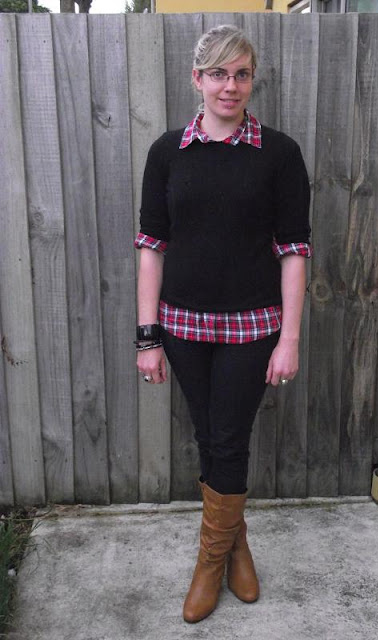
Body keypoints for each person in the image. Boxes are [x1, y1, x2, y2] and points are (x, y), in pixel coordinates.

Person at [134, 24, 311, 623]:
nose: (229, 86)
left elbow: (294, 250)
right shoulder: (167, 153)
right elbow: (151, 247)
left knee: (230, 437)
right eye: (218, 74)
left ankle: (209, 562)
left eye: (240, 74)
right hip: (181, 326)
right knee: (209, 436)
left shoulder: (279, 154)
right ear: (197, 79)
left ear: (251, 80)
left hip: (252, 328)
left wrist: (289, 338)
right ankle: (234, 544)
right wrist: (147, 336)